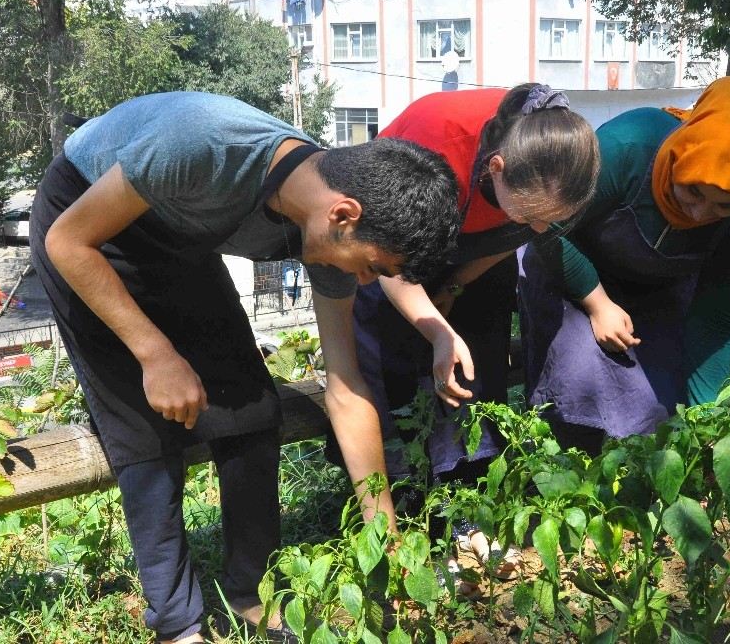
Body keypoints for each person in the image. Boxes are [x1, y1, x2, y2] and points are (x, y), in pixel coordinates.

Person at [29, 91, 459, 644]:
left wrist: (387, 538)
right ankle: (178, 625)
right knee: (143, 427)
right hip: (85, 221)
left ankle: (252, 596)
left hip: (178, 235)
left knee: (253, 408)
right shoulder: (204, 145)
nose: (366, 283)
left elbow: (346, 388)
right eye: (374, 267)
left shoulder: (326, 229)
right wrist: (155, 355)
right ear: (343, 216)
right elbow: (68, 241)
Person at [351, 84, 599, 584]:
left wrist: (458, 285)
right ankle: (403, 516)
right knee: (396, 373)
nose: (537, 225)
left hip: (475, 256)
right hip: (391, 244)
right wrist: (438, 329)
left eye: (549, 220)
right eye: (530, 212)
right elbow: (381, 257)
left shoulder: (562, 166)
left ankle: (464, 508)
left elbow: (518, 233)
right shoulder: (437, 141)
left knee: (474, 379)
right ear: (497, 168)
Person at [518, 77, 730, 455]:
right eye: (693, 190)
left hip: (655, 293)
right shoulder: (627, 147)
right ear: (683, 152)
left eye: (724, 205)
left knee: (660, 404)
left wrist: (705, 423)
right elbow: (546, 226)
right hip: (567, 270)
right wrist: (598, 304)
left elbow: (713, 322)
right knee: (576, 378)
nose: (699, 213)